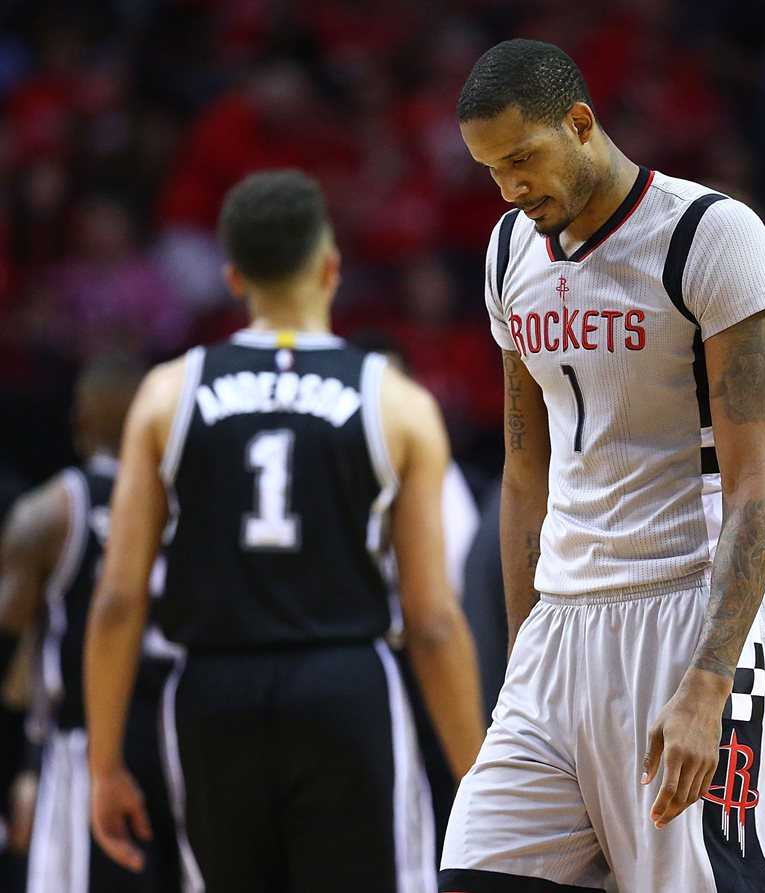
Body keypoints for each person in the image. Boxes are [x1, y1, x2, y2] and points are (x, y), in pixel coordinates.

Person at [444, 39, 765, 893]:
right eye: (491, 170)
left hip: (691, 612)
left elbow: (759, 478)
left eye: (522, 158)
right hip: (559, 633)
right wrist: (525, 652)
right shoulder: (507, 255)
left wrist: (711, 679)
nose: (511, 189)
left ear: (581, 123)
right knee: (474, 875)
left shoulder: (712, 235)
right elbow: (525, 473)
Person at [83, 170, 485, 893]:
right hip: (344, 684)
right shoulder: (393, 399)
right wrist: (477, 778)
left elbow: (117, 598)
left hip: (210, 690)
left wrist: (104, 764)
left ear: (234, 275)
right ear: (331, 268)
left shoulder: (166, 393)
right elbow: (430, 620)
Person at [0, 354, 181, 893]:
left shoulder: (51, 512)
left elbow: (7, 651)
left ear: (78, 421)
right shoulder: (193, 505)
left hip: (87, 748)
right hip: (185, 739)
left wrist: (24, 764)